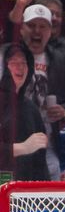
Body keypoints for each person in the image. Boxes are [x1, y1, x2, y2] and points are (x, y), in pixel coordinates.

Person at [0, 43, 49, 181]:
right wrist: (22, 148)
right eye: (13, 62)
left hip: (25, 194)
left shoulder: (31, 108)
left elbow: (40, 162)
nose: (20, 67)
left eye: (23, 62)